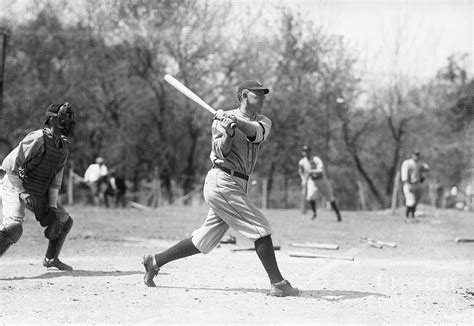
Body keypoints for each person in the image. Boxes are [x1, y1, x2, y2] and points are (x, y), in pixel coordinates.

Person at [142, 80, 299, 297]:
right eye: (258, 94)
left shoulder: (263, 121)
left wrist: (237, 123)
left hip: (238, 184)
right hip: (222, 180)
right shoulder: (221, 120)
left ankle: (155, 261)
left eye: (264, 94)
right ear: (244, 95)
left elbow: (257, 134)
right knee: (260, 227)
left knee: (203, 240)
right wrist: (227, 133)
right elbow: (221, 152)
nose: (263, 98)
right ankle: (278, 283)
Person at [0, 103, 75, 270]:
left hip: (38, 189)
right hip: (14, 184)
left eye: (70, 119)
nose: (68, 122)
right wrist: (21, 192)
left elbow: (56, 180)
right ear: (52, 120)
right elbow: (9, 167)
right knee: (14, 228)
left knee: (64, 221)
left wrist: (52, 206)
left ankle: (51, 259)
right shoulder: (36, 139)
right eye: (64, 118)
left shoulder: (63, 146)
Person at [298, 145, 342, 221]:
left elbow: (320, 170)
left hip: (321, 180)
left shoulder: (316, 159)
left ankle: (338, 214)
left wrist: (310, 171)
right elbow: (300, 171)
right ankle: (314, 214)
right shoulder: (302, 162)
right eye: (304, 151)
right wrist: (303, 179)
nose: (305, 152)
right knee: (310, 197)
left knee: (330, 198)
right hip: (312, 180)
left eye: (307, 151)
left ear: (310, 151)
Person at [400, 150, 430, 221]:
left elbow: (426, 169)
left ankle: (412, 216)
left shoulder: (419, 163)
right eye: (415, 155)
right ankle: (407, 216)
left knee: (415, 201)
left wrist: (425, 169)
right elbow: (404, 175)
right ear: (412, 155)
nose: (416, 156)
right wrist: (407, 183)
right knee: (410, 200)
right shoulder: (407, 163)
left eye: (417, 155)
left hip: (417, 184)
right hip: (409, 184)